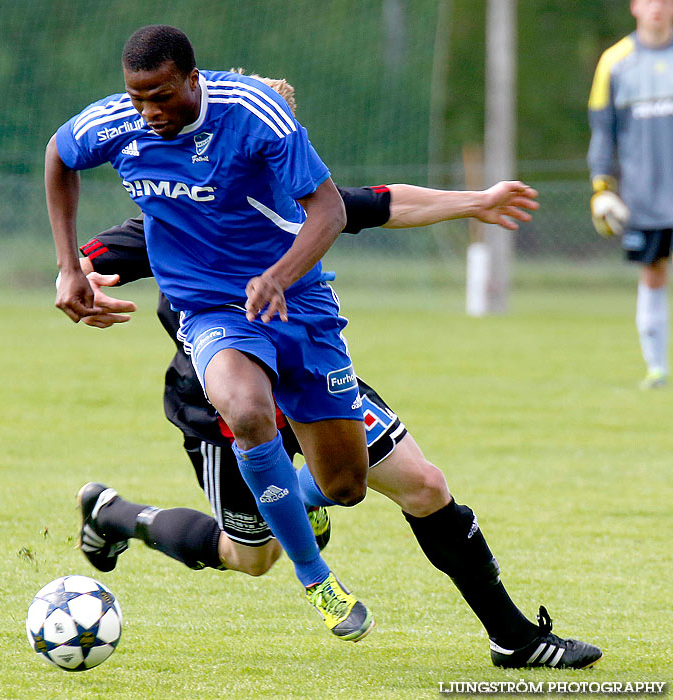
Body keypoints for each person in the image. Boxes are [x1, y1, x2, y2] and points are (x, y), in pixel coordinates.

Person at [66, 76, 600, 664]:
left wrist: (476, 201)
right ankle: (115, 515)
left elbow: (387, 202)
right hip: (223, 401)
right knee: (251, 555)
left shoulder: (300, 194)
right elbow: (88, 263)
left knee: (424, 486)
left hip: (309, 367)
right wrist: (82, 281)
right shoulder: (174, 214)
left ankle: (515, 638)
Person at [47, 24, 385, 643]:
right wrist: (71, 267)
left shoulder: (255, 116)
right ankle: (319, 580)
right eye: (137, 96)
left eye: (162, 95)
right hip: (209, 312)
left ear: (193, 80)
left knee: (345, 485)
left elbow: (332, 210)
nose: (149, 112)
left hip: (298, 304)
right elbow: (59, 155)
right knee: (247, 408)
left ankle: (291, 496)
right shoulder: (117, 124)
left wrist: (278, 276)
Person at [588, 0, 673, 389]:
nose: (657, 7)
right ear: (634, 6)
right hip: (644, 199)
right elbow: (603, 130)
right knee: (652, 274)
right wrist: (601, 188)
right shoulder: (615, 61)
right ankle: (656, 370)